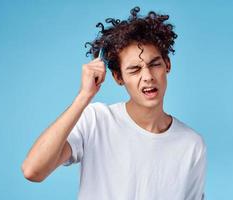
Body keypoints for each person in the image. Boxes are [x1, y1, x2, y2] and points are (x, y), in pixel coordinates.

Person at [21, 6, 207, 200]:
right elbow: (33, 170)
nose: (148, 77)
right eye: (134, 69)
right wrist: (83, 96)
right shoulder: (96, 121)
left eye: (154, 64)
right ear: (118, 77)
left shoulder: (192, 144)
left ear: (167, 64)